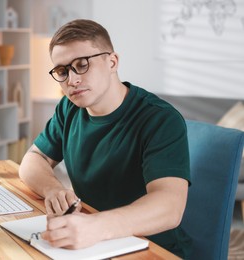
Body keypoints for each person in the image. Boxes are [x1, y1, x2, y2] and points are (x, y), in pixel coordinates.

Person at [19, 19, 192, 258]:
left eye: (82, 65)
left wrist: (98, 227)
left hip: (151, 248)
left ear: (112, 62)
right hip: (93, 242)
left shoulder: (160, 119)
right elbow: (33, 159)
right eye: (62, 71)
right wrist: (53, 190)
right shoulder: (69, 109)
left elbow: (170, 207)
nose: (72, 80)